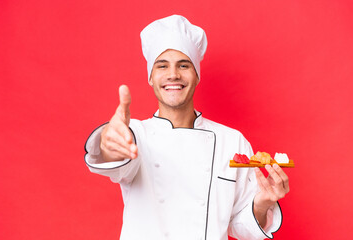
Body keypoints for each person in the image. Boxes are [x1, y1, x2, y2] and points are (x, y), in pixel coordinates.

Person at [84, 15, 289, 240]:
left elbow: (240, 227)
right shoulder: (136, 136)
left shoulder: (232, 142)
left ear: (196, 74)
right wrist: (108, 145)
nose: (173, 74)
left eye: (183, 65)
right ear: (151, 77)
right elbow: (112, 158)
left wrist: (262, 204)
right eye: (162, 66)